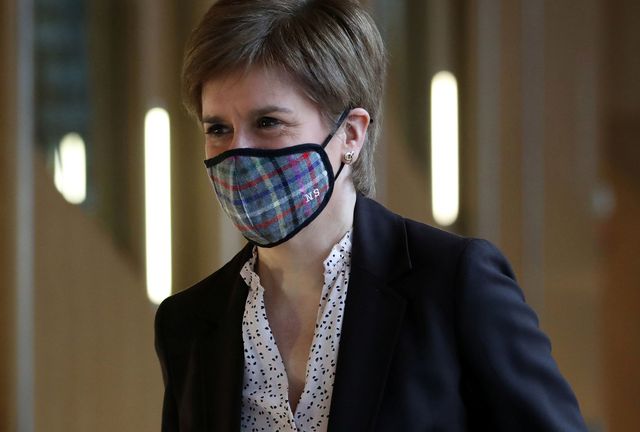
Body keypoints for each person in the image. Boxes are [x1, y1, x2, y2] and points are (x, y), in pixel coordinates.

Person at [154, 0, 588, 430]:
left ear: (351, 133)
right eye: (218, 129)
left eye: (267, 122)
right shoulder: (188, 322)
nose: (238, 153)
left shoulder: (453, 283)